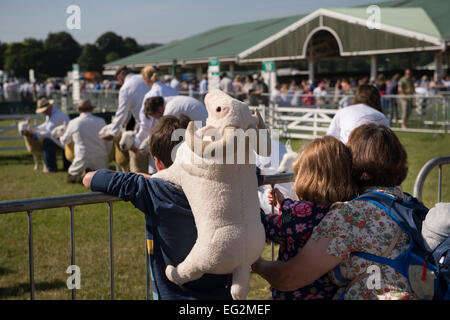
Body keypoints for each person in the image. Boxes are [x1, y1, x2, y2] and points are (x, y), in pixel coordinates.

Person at [252, 124, 421, 300]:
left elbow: (288, 278)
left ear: (356, 163)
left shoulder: (350, 215)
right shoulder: (407, 203)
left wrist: (257, 265)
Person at [82, 115, 232, 300]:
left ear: (157, 162)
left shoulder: (153, 188)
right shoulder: (222, 186)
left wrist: (144, 178)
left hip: (171, 293)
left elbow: (89, 178)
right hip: (222, 293)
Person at [260, 136, 358, 300]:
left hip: (293, 295)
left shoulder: (300, 213)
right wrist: (284, 205)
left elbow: (270, 229)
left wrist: (254, 211)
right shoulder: (345, 211)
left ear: (306, 177)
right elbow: (297, 223)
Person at [132, 95, 208, 173]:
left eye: (156, 116)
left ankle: (155, 172)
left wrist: (146, 146)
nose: (157, 118)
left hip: (201, 128)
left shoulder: (170, 109)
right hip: (201, 125)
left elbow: (160, 134)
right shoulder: (169, 102)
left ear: (160, 109)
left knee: (160, 146)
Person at [59, 100, 112, 183]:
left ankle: (84, 178)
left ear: (79, 110)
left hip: (82, 158)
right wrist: (106, 155)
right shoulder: (101, 121)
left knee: (71, 177)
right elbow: (108, 141)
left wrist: (60, 137)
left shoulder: (74, 123)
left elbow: (65, 140)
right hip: (101, 159)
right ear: (91, 109)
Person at [101, 66, 149, 141]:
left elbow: (122, 112)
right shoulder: (143, 77)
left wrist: (112, 133)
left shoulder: (125, 88)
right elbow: (130, 108)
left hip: (147, 125)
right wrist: (125, 121)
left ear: (120, 78)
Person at [24, 97, 71, 172]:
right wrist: (33, 129)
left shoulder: (56, 116)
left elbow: (48, 132)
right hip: (62, 139)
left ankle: (51, 168)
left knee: (47, 141)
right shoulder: (51, 114)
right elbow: (46, 125)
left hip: (66, 140)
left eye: (44, 111)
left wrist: (33, 134)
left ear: (48, 108)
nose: (43, 113)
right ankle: (54, 167)